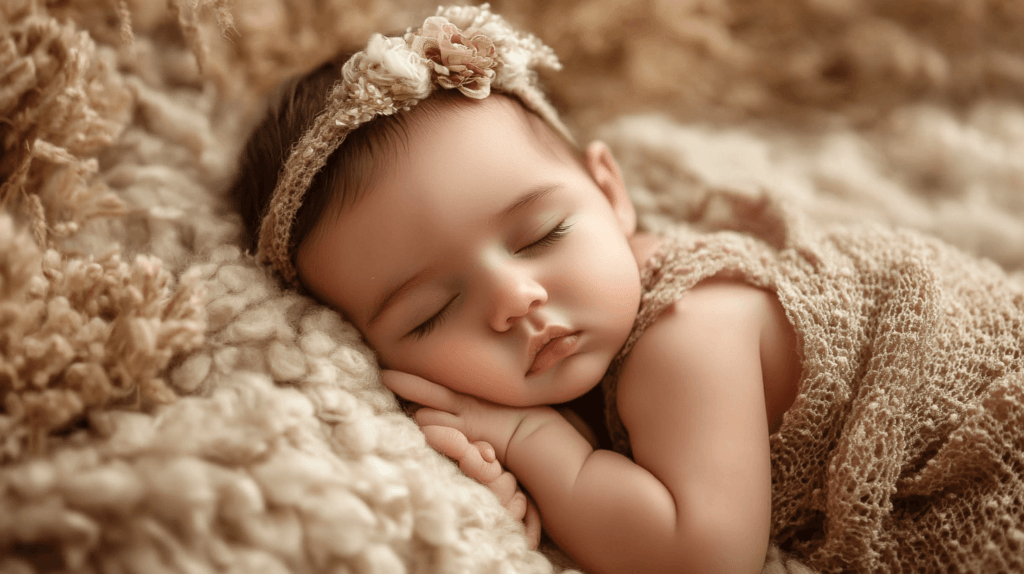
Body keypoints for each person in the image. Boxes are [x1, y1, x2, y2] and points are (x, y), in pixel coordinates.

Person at [231, 5, 1024, 573]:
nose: (515, 299)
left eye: (542, 234)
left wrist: (534, 445)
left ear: (610, 192)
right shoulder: (600, 305)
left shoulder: (687, 333)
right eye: (433, 312)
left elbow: (705, 555)